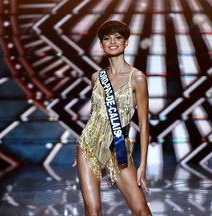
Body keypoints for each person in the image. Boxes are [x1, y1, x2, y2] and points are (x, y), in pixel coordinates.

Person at [75, 20, 152, 216]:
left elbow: (143, 125)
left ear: (126, 42)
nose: (113, 42)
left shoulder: (137, 78)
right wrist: (82, 147)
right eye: (107, 38)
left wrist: (143, 165)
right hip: (89, 145)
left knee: (141, 211)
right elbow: (96, 114)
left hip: (118, 146)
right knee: (93, 211)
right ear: (101, 45)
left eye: (118, 37)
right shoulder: (96, 77)